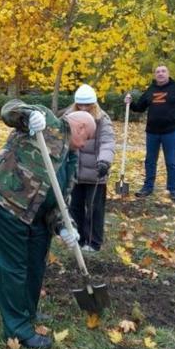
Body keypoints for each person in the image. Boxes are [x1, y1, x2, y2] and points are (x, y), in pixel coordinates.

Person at [0, 99, 95, 349]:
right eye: (87, 139)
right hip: (5, 202)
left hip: (37, 215)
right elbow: (9, 109)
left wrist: (66, 227)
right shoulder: (47, 120)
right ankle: (17, 329)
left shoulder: (71, 161)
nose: (85, 146)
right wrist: (29, 117)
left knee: (35, 264)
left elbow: (61, 202)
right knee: (13, 267)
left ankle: (27, 313)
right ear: (81, 128)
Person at [125, 65, 175, 202]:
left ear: (168, 73)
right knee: (150, 161)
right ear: (154, 75)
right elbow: (140, 107)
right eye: (157, 72)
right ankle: (147, 187)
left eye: (163, 71)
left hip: (170, 131)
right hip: (152, 132)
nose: (160, 74)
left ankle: (173, 189)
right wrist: (130, 103)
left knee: (171, 162)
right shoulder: (150, 90)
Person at [64, 84, 115, 252]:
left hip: (95, 172)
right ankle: (78, 239)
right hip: (75, 173)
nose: (84, 108)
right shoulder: (68, 117)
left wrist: (104, 162)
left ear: (94, 104)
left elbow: (107, 142)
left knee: (95, 209)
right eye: (80, 104)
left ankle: (94, 242)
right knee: (75, 207)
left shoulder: (102, 119)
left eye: (87, 105)